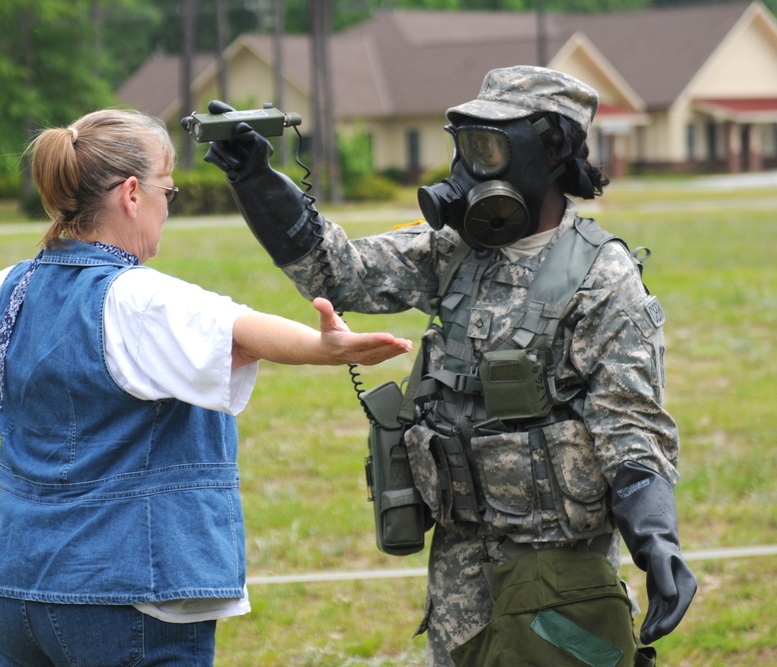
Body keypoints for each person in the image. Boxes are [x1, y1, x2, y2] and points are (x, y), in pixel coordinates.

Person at [0, 107, 414, 667]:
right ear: (132, 194)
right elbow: (241, 330)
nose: (167, 207)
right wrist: (321, 347)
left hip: (17, 590)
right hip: (128, 596)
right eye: (168, 191)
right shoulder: (139, 297)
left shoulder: (11, 290)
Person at [195, 66, 697, 666]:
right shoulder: (455, 251)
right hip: (458, 570)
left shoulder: (602, 279)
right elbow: (338, 270)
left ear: (552, 149)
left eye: (488, 148)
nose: (469, 169)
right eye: (463, 147)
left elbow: (631, 429)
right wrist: (256, 179)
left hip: (555, 570)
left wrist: (656, 540)